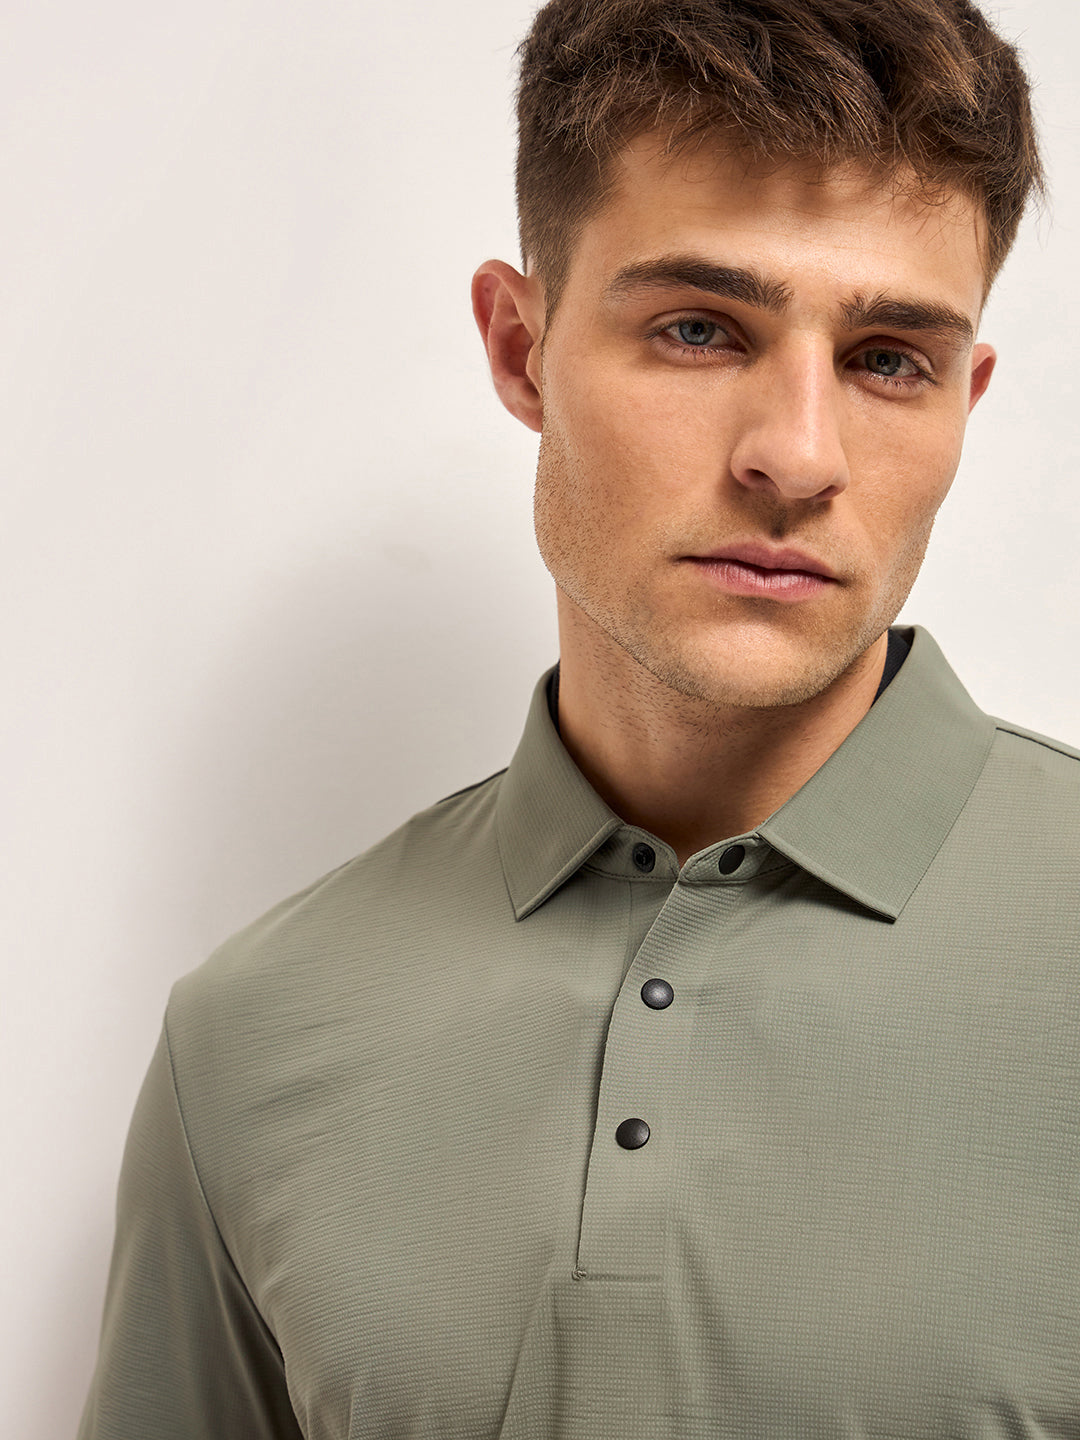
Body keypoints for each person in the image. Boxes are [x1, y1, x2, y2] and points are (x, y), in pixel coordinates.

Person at [79, 2, 1079, 1438]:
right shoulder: (250, 1038)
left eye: (886, 360)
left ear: (964, 402)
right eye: (698, 329)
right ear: (521, 347)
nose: (798, 456)